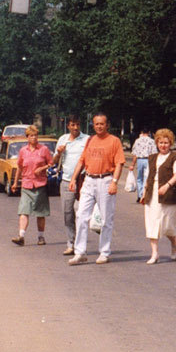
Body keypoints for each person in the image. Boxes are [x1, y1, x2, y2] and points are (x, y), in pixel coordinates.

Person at [68, 112, 125, 265]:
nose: (99, 126)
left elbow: (119, 163)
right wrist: (73, 179)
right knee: (81, 215)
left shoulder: (114, 141)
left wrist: (114, 182)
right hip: (89, 180)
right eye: (96, 124)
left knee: (106, 218)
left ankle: (104, 252)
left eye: (102, 124)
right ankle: (80, 252)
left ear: (107, 125)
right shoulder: (90, 140)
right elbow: (82, 161)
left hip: (105, 180)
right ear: (93, 125)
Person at [142, 128, 176, 264]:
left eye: (166, 143)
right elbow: (148, 176)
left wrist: (167, 186)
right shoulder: (152, 158)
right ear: (157, 143)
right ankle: (154, 254)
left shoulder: (175, 157)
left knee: (167, 226)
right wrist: (144, 192)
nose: (163, 145)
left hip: (168, 195)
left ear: (170, 143)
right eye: (160, 142)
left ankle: (174, 245)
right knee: (152, 224)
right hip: (152, 194)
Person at [10, 125, 53, 246]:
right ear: (27, 137)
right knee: (24, 211)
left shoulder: (43, 149)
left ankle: (41, 237)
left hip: (40, 185)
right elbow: (19, 167)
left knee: (40, 213)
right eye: (31, 136)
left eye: (35, 135)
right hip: (26, 185)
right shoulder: (23, 151)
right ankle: (21, 236)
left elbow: (51, 163)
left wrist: (42, 168)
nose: (34, 138)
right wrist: (15, 183)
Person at [53, 115, 89, 256]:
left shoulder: (86, 139)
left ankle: (80, 244)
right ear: (68, 126)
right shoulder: (63, 139)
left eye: (78, 124)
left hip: (82, 181)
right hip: (67, 181)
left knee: (80, 213)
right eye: (73, 125)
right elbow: (54, 160)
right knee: (68, 214)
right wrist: (59, 153)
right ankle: (70, 243)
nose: (75, 128)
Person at [131, 128, 157, 203]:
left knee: (139, 178)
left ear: (142, 132)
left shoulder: (137, 141)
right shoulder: (151, 141)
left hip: (139, 160)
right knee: (146, 177)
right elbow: (154, 153)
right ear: (149, 132)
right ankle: (144, 195)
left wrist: (133, 164)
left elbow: (135, 154)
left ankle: (139, 195)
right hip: (148, 160)